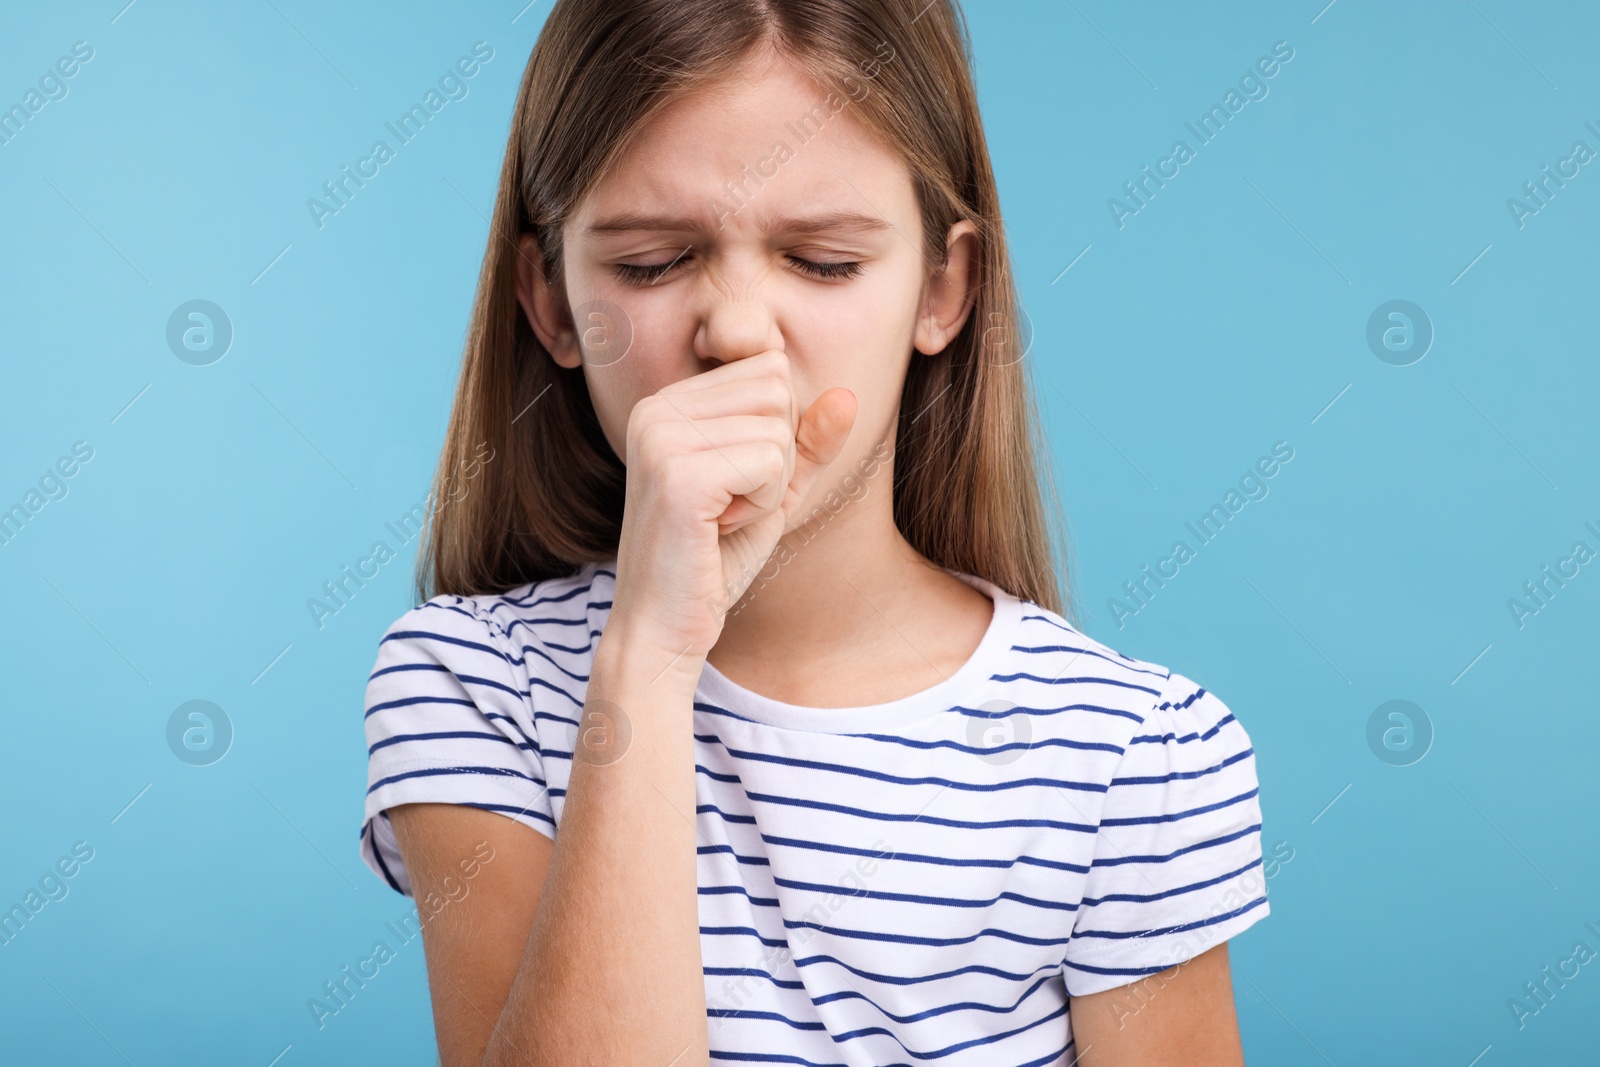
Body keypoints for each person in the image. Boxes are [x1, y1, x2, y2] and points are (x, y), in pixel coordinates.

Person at [358, 1, 1270, 1063]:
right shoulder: (474, 684)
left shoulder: (1133, 753)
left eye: (824, 260)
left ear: (943, 289)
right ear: (552, 306)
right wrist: (650, 658)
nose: (736, 330)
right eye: (651, 262)